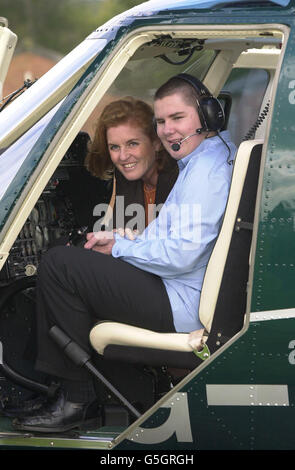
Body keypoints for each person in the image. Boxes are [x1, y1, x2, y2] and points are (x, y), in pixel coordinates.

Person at [12, 74, 236, 433]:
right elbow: (178, 240)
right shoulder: (207, 158)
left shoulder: (204, 173)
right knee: (82, 263)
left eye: (177, 118)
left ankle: (77, 399)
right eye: (161, 122)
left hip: (179, 299)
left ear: (208, 115)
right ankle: (68, 391)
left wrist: (121, 247)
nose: (168, 131)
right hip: (176, 287)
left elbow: (181, 256)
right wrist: (126, 241)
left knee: (59, 263)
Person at [85, 97, 178, 233]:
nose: (123, 156)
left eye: (133, 144)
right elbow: (122, 233)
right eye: (114, 147)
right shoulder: (127, 177)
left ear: (156, 142)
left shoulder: (180, 178)